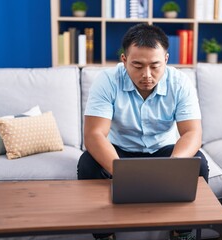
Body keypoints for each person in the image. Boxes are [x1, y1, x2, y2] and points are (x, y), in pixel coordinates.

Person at [77, 23, 209, 240]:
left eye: (155, 65)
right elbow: (94, 135)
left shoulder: (180, 82)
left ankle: (182, 232)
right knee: (87, 163)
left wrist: (174, 167)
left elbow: (192, 133)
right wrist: (122, 172)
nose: (147, 74)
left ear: (166, 59)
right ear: (124, 60)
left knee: (198, 162)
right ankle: (104, 234)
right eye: (137, 65)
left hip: (163, 152)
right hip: (120, 152)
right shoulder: (107, 81)